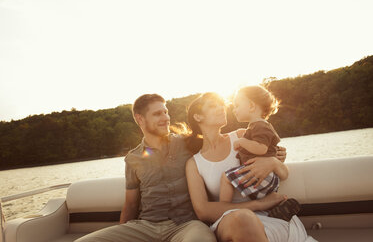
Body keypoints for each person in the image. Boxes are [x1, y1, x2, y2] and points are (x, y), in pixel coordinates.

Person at [76, 94, 216, 242]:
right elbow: (131, 204)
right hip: (146, 227)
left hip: (186, 225)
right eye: (157, 114)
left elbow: (218, 145)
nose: (165, 118)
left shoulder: (188, 143)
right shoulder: (133, 159)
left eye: (166, 112)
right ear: (140, 119)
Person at [185, 92, 316, 242]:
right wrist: (257, 204)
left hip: (270, 215)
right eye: (213, 105)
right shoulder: (194, 164)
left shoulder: (244, 136)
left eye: (222, 104)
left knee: (249, 220)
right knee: (243, 218)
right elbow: (203, 211)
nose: (222, 108)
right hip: (230, 220)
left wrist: (273, 162)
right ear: (198, 117)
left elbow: (284, 173)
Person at [219, 86, 300, 222]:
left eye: (237, 105)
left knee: (225, 178)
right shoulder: (258, 126)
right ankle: (277, 207)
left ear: (251, 106)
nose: (234, 109)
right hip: (268, 178)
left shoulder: (259, 126)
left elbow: (261, 148)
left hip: (262, 175)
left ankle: (224, 212)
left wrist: (242, 142)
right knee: (259, 197)